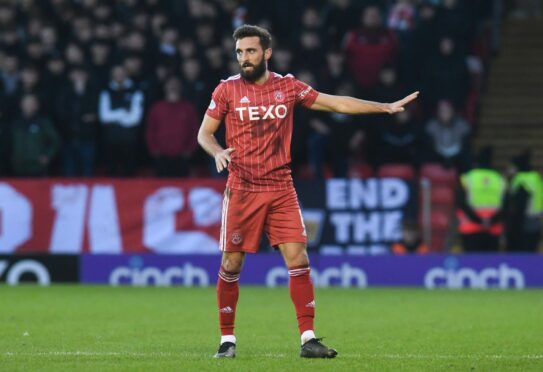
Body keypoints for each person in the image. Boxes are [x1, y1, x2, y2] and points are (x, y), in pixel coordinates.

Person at [197, 24, 418, 359]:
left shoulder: (288, 87)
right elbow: (205, 134)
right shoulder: (226, 91)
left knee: (298, 258)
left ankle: (308, 339)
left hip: (280, 187)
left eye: (251, 51)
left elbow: (336, 104)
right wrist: (217, 152)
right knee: (231, 263)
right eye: (240, 52)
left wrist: (384, 107)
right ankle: (227, 340)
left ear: (267, 53)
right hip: (241, 188)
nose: (244, 58)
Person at [145, 76, 199, 177]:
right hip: (161, 157)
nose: (173, 87)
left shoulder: (188, 108)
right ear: (165, 87)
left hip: (183, 157)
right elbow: (150, 131)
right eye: (170, 84)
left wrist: (189, 150)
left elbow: (194, 131)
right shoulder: (157, 108)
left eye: (176, 84)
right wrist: (154, 150)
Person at [456, 147, 506, 252]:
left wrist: (478, 220)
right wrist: (491, 221)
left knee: (472, 264)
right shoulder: (500, 179)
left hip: (471, 228)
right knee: (491, 264)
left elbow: (460, 203)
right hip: (493, 228)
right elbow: (506, 205)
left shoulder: (467, 178)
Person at [505, 150, 543, 252]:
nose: (508, 170)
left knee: (522, 252)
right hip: (536, 221)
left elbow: (519, 205)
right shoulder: (535, 177)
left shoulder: (521, 180)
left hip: (524, 223)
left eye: (510, 167)